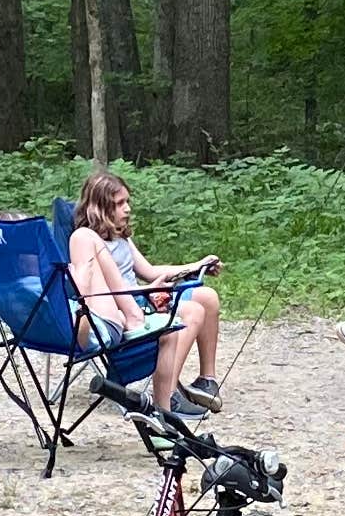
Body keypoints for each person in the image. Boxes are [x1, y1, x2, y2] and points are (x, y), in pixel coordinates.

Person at [66, 172, 226, 413]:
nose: (127, 208)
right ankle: (169, 392)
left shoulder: (120, 236)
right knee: (193, 311)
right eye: (119, 203)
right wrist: (148, 290)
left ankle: (207, 380)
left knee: (208, 297)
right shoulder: (89, 242)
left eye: (127, 201)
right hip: (126, 304)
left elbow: (149, 271)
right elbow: (106, 293)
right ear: (100, 207)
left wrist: (196, 266)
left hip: (142, 297)